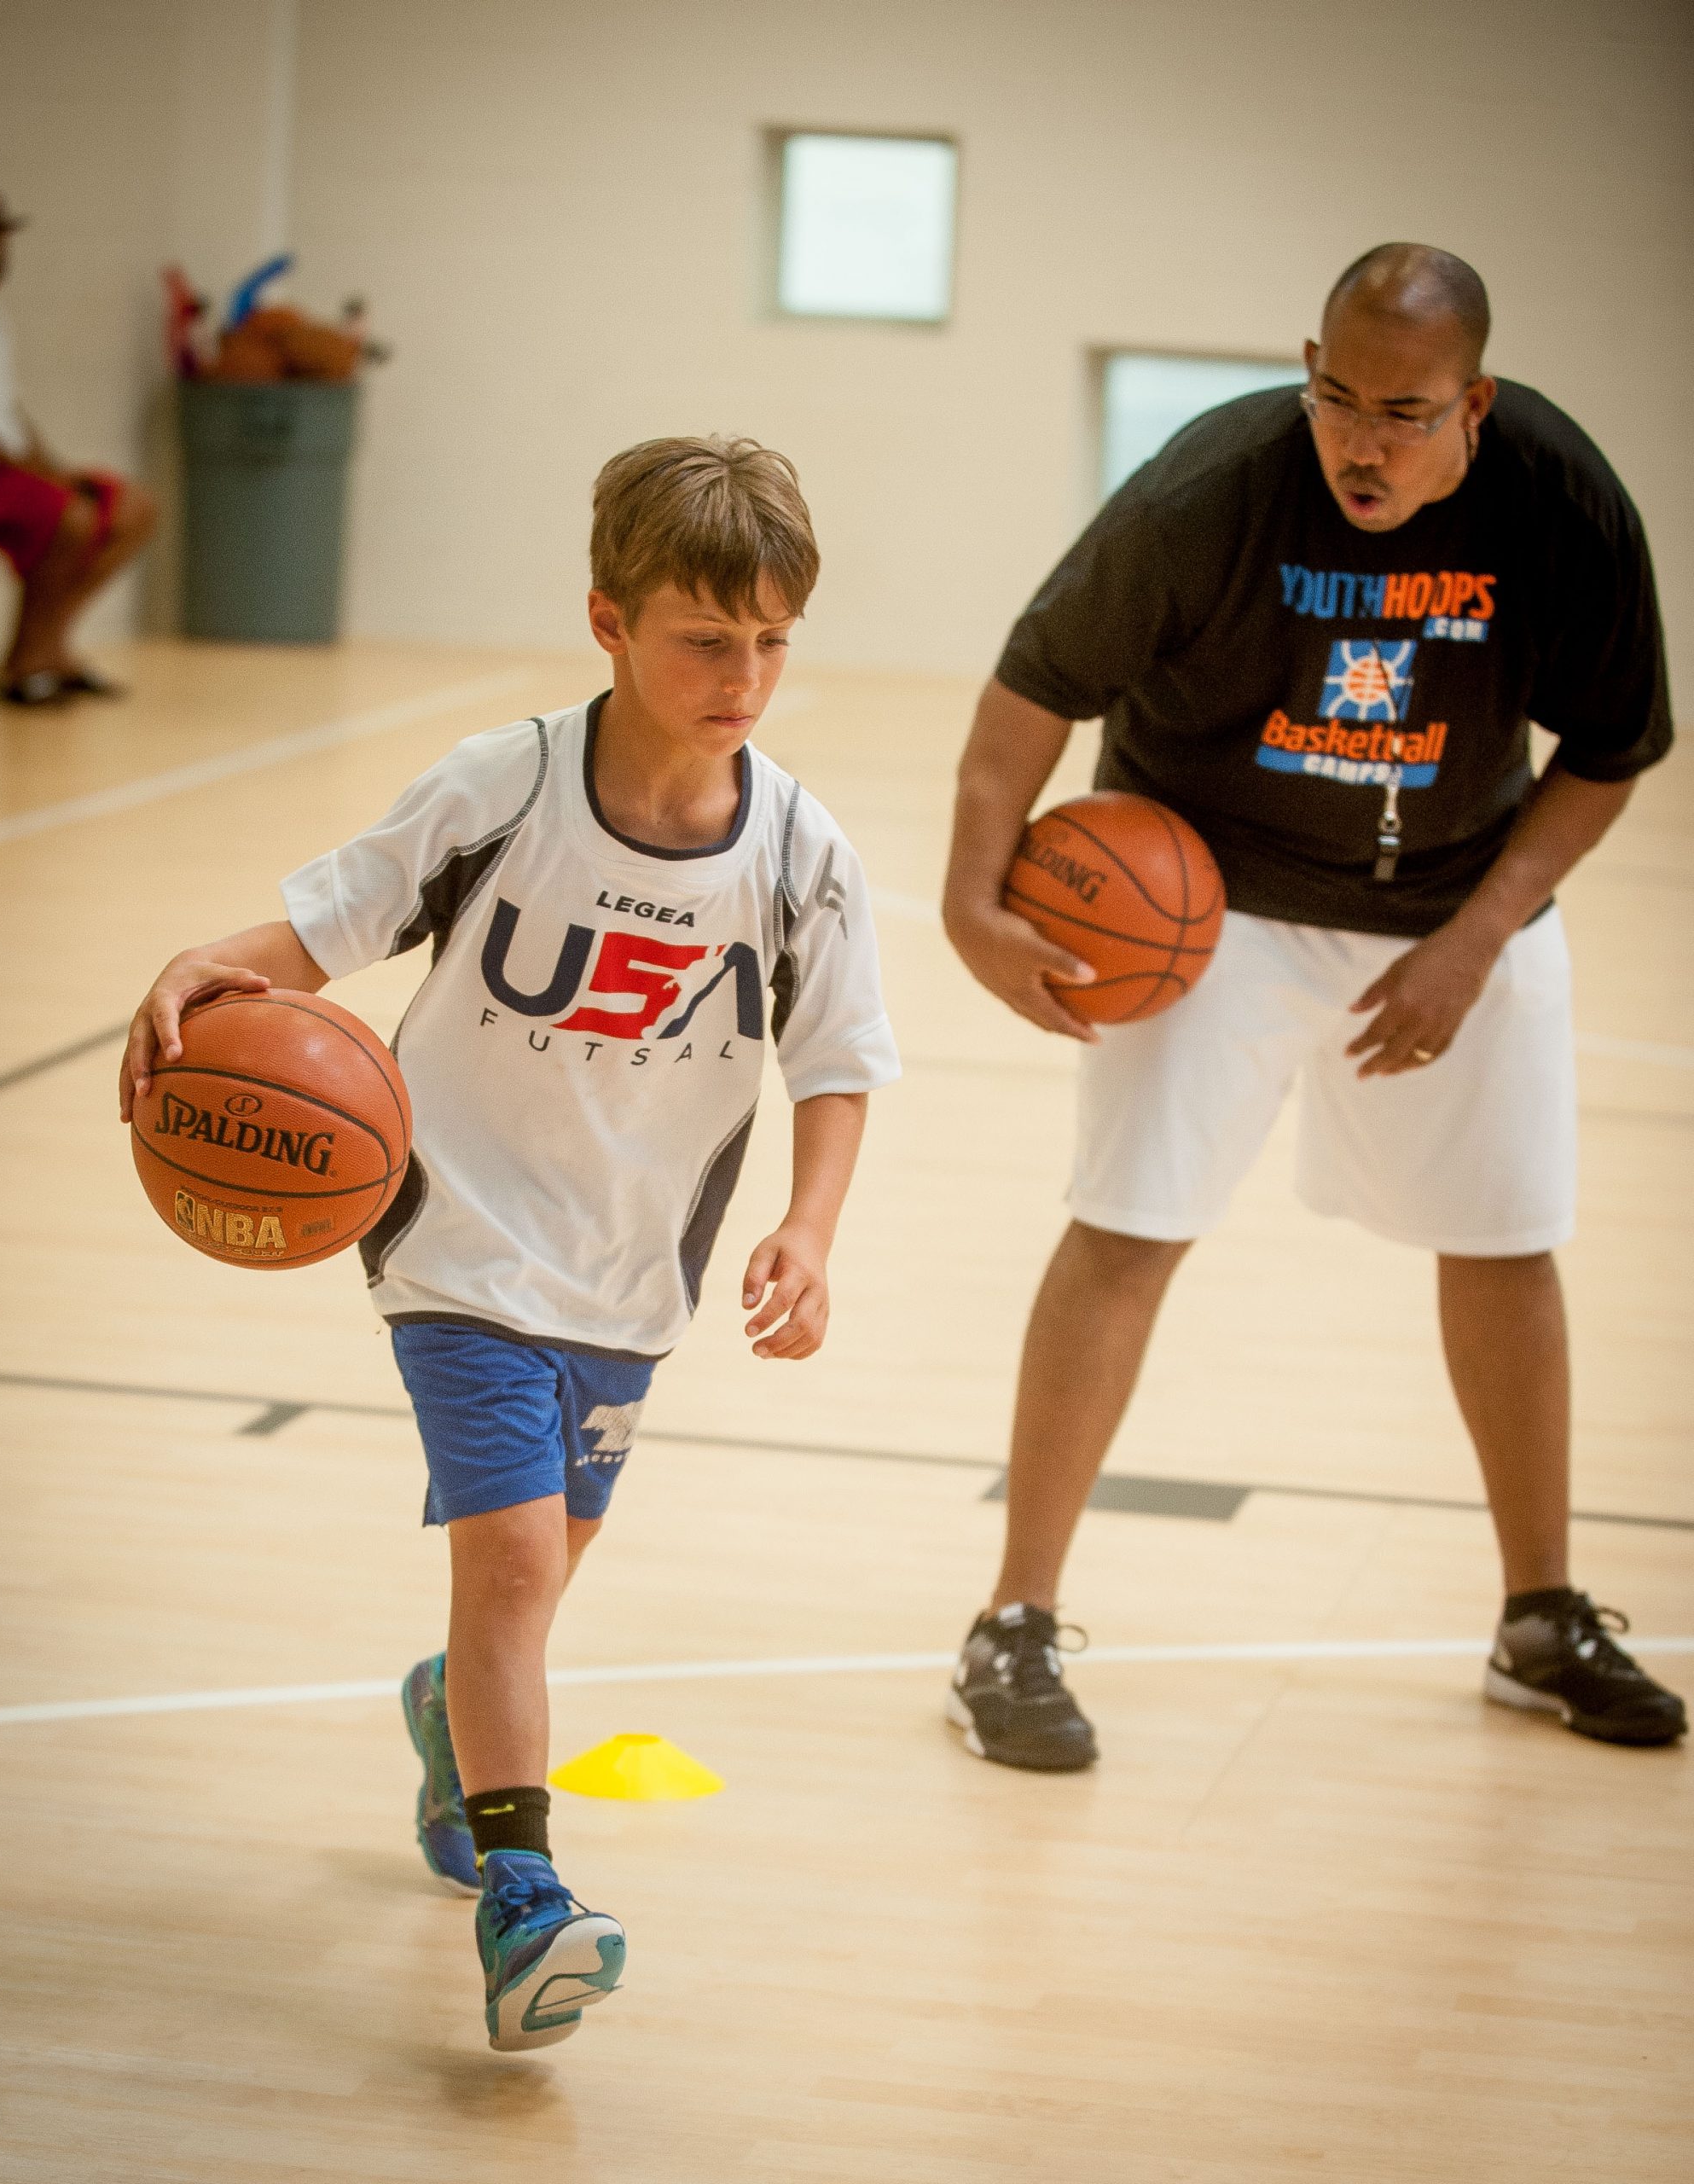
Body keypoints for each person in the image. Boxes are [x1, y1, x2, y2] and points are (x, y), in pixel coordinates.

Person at [118, 436, 900, 2050]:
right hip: (456, 1238)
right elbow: (328, 929)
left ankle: (443, 1719)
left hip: (630, 1270)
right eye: (704, 637)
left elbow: (835, 1060)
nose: (741, 673)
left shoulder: (802, 852)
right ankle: (525, 1896)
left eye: (769, 641)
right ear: (608, 620)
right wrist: (210, 955)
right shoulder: (503, 785)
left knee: (534, 1592)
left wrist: (809, 1230)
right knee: (517, 1562)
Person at [942, 243, 1685, 1770]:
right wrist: (967, 900)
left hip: (1454, 897)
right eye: (1335, 397)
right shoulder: (1203, 492)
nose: (1361, 441)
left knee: (1504, 1243)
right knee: (1124, 1228)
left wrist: (1474, 942)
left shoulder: (1557, 499)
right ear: (1305, 367)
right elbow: (1030, 689)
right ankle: (1009, 1625)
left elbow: (1611, 746)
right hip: (1205, 902)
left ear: (1472, 403)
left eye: (1403, 412)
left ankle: (1535, 1615)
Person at [0, 190, 157, 706]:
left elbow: (6, 414)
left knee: (132, 507)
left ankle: (48, 646)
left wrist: (51, 468)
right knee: (70, 518)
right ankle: (28, 664)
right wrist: (38, 479)